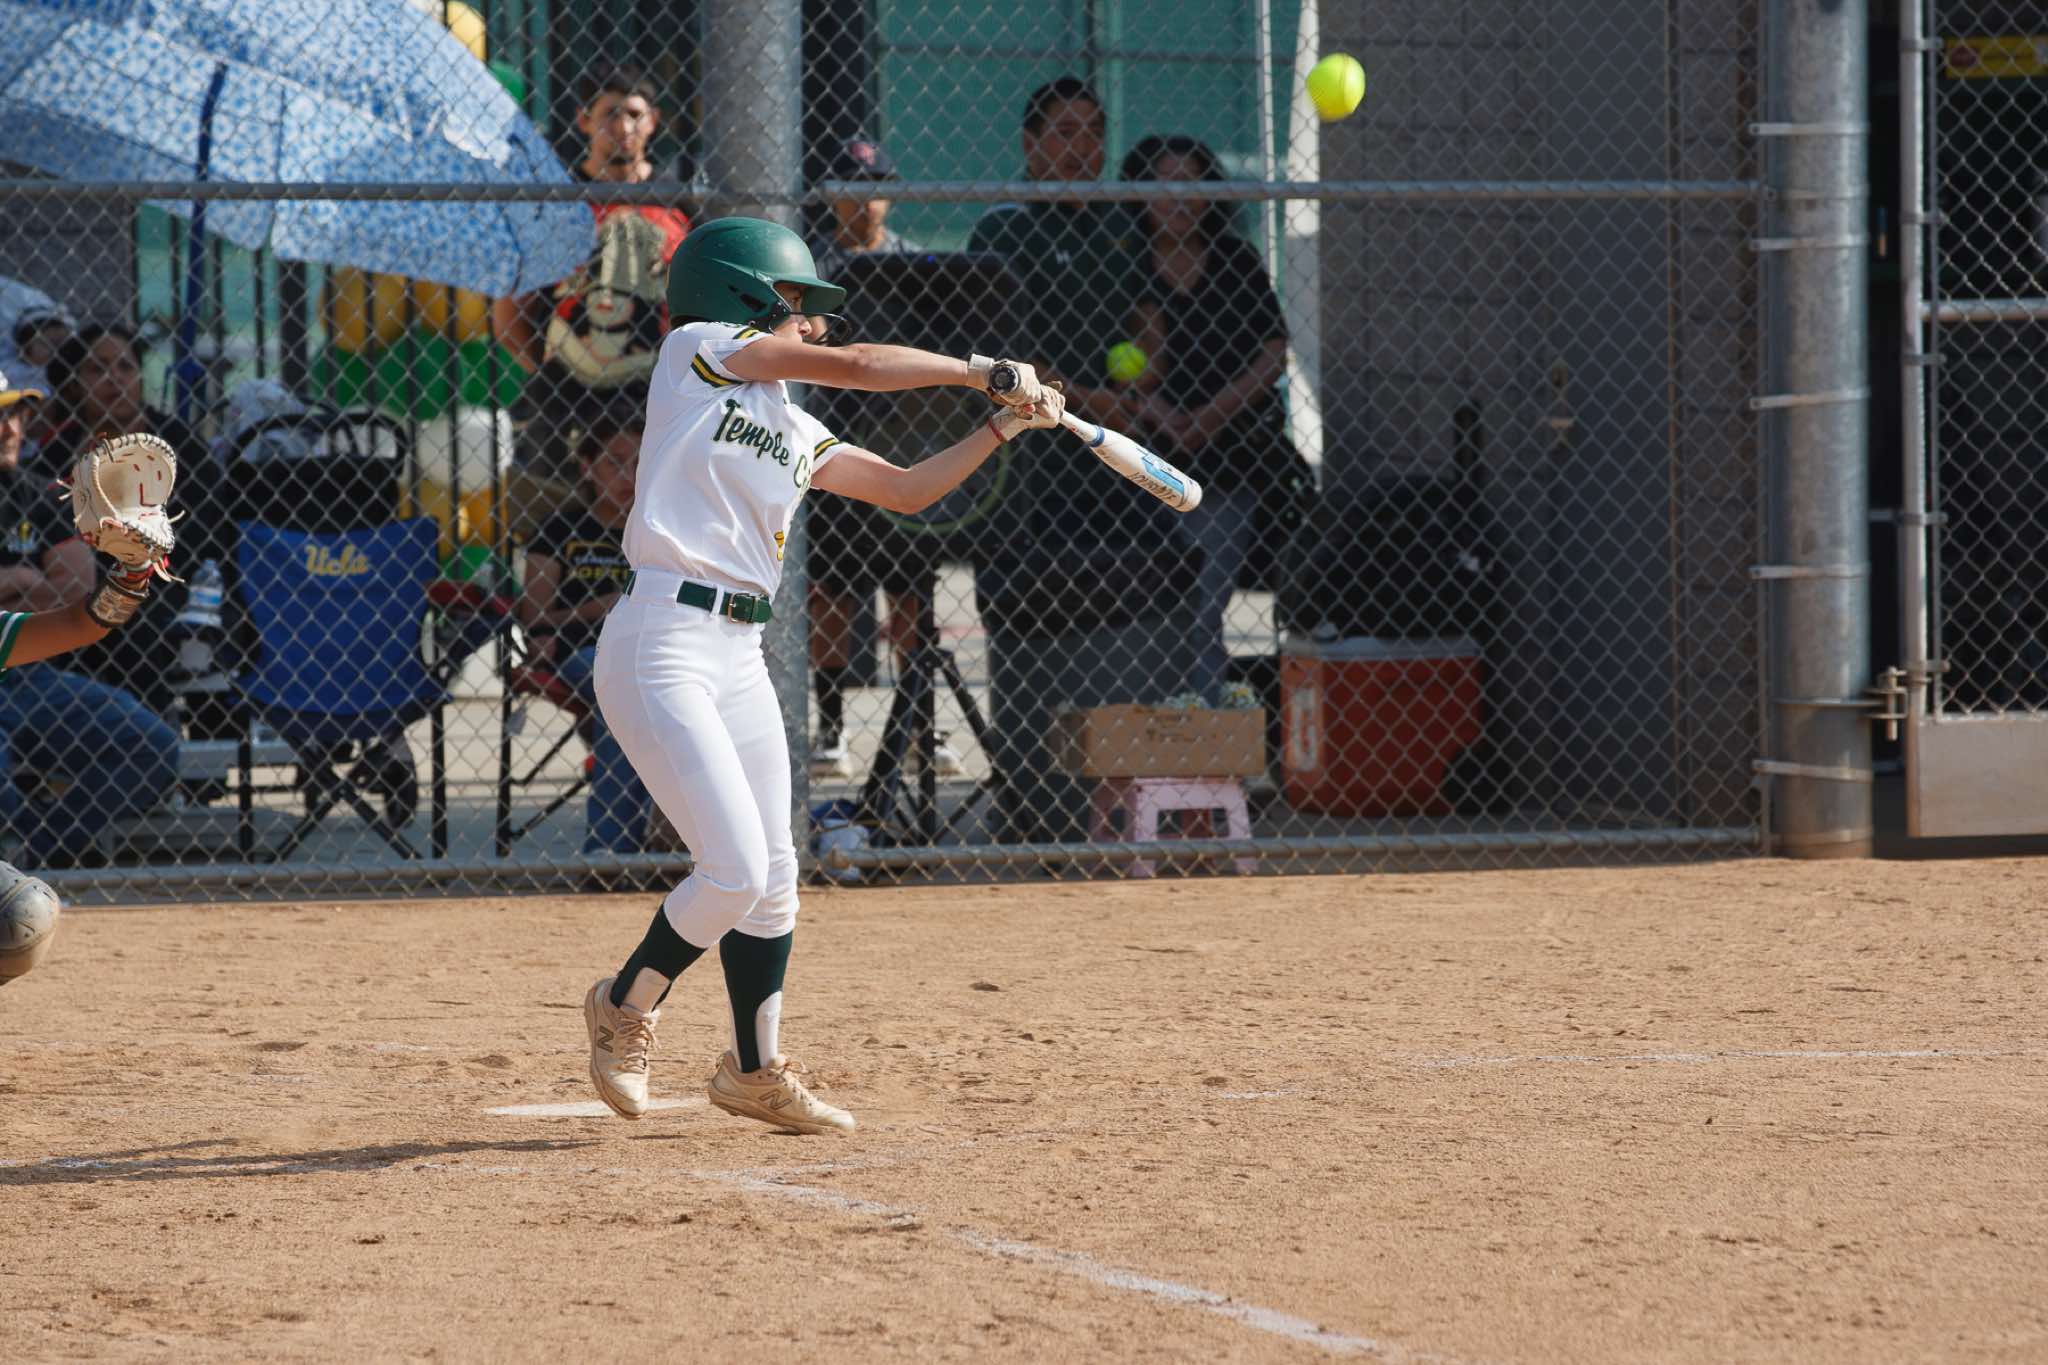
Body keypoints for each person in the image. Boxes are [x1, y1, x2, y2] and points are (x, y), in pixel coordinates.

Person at [580, 216, 1062, 1134]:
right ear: (743, 294)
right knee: (730, 869)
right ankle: (624, 1004)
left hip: (739, 652)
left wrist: (1000, 426)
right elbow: (863, 365)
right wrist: (979, 370)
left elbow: (905, 489)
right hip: (662, 641)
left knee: (773, 874)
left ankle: (754, 1071)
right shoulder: (697, 352)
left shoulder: (792, 425)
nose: (812, 325)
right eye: (796, 306)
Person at [966, 78, 1204, 845]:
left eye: (1093, 132)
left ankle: (1146, 795)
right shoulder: (1005, 230)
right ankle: (1035, 805)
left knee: (1152, 583)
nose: (1082, 147)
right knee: (1032, 608)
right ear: (1031, 145)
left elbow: (1147, 318)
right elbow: (1006, 357)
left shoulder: (1120, 227)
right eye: (1065, 132)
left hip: (1112, 467)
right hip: (1029, 471)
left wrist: (1140, 381)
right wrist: (1097, 401)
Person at [801, 136, 959, 779]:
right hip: (834, 447)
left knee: (912, 597)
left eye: (875, 186)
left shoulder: (916, 263)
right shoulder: (812, 268)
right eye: (849, 186)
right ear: (829, 195)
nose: (863, 200)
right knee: (832, 595)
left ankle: (922, 728)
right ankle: (831, 728)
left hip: (903, 447)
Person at [1119, 134, 1294, 701]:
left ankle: (1200, 726)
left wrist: (1209, 417)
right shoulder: (1121, 264)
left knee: (1201, 606)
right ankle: (1150, 722)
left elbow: (1272, 350)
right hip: (1136, 461)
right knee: (1142, 608)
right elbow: (1096, 354)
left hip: (1224, 463)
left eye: (1191, 182)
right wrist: (1158, 412)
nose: (1179, 197)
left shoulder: (1234, 261)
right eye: (1163, 183)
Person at [493, 64, 690, 517]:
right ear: (584, 120)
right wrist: (552, 371)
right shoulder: (558, 201)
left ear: (653, 121)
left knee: (659, 520)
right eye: (610, 114)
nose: (623, 127)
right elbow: (510, 315)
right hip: (567, 399)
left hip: (655, 395)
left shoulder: (679, 201)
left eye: (634, 114)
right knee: (552, 522)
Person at [0, 402, 178, 880]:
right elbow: (50, 592)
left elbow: (84, 618)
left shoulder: (35, 495)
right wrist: (23, 577)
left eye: (14, 414)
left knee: (151, 744)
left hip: (31, 680)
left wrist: (134, 572)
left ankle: (31, 848)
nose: (9, 428)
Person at [36, 325, 229, 719]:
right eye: (98, 369)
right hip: (81, 581)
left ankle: (144, 736)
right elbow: (40, 523)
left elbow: (202, 529)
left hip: (164, 582)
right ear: (76, 385)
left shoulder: (178, 445)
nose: (114, 378)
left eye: (125, 367)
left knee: (130, 619)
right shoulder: (58, 452)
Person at [515, 400, 651, 855]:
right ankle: (610, 848)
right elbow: (535, 618)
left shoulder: (659, 529)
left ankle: (654, 841)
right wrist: (596, 609)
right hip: (583, 651)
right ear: (588, 467)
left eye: (639, 463)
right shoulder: (559, 530)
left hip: (652, 650)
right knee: (625, 691)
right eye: (615, 462)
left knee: (651, 691)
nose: (628, 475)